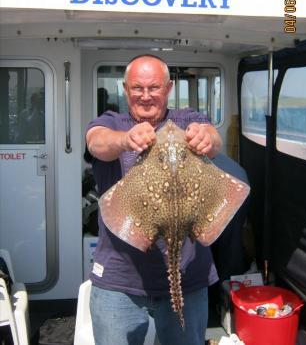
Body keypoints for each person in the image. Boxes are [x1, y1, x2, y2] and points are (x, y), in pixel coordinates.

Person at [86, 55, 222, 345]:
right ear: (125, 89)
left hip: (189, 278)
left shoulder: (188, 119)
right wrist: (125, 140)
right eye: (137, 88)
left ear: (169, 88)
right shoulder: (112, 121)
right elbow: (96, 141)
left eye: (154, 87)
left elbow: (213, 137)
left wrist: (205, 138)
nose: (145, 96)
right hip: (119, 283)